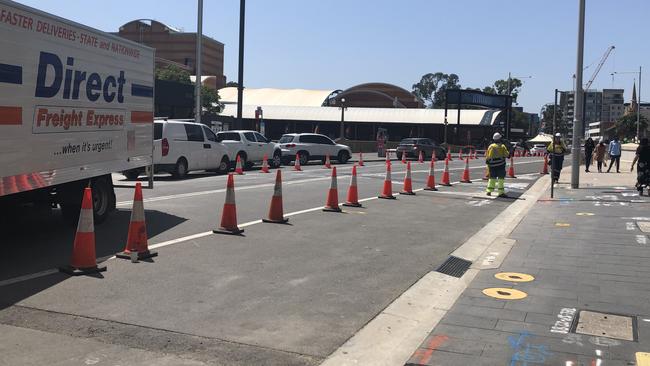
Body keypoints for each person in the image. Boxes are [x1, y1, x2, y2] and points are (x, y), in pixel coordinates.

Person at [485, 132, 509, 197]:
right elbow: (506, 155)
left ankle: (489, 191)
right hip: (500, 165)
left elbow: (487, 155)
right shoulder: (502, 146)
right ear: (500, 139)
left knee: (492, 178)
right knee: (501, 179)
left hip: (492, 165)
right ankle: (501, 192)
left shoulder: (491, 146)